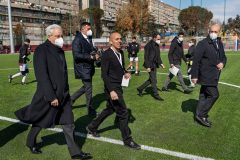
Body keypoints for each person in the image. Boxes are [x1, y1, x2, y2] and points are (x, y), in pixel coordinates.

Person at [14, 24, 92, 160]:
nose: (60, 39)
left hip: (64, 95)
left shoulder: (59, 50)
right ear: (49, 36)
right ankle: (30, 142)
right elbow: (42, 75)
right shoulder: (41, 50)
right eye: (57, 36)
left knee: (68, 123)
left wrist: (66, 91)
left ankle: (75, 153)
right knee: (41, 121)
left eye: (61, 36)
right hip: (49, 95)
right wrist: (51, 96)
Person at [86, 32, 141, 150]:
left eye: (121, 39)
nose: (120, 41)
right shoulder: (107, 54)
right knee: (123, 112)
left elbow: (120, 68)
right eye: (117, 39)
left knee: (110, 109)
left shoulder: (120, 52)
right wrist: (111, 91)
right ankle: (127, 139)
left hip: (118, 85)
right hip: (112, 88)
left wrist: (125, 73)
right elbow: (104, 75)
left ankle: (92, 127)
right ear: (110, 41)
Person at [191, 23, 227, 127]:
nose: (213, 33)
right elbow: (196, 60)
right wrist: (194, 76)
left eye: (215, 32)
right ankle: (202, 115)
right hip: (206, 75)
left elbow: (223, 57)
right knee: (214, 95)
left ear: (219, 32)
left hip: (215, 74)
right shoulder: (203, 43)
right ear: (208, 31)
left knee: (204, 95)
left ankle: (198, 114)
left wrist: (222, 63)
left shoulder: (219, 42)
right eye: (211, 31)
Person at [71, 22, 99, 116]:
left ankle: (70, 100)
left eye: (90, 28)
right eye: (88, 29)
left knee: (86, 87)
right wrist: (90, 57)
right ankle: (90, 109)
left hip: (89, 67)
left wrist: (96, 52)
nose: (90, 30)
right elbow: (77, 55)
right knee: (88, 88)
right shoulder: (77, 40)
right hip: (83, 68)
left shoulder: (88, 38)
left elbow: (91, 49)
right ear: (82, 29)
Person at [137, 32, 165, 101]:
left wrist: (161, 63)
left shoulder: (157, 45)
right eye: (158, 39)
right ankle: (156, 95)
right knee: (154, 80)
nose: (159, 40)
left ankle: (140, 88)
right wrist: (148, 66)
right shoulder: (148, 45)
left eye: (160, 39)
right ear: (154, 38)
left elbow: (158, 56)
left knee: (151, 79)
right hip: (149, 65)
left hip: (154, 64)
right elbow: (146, 57)